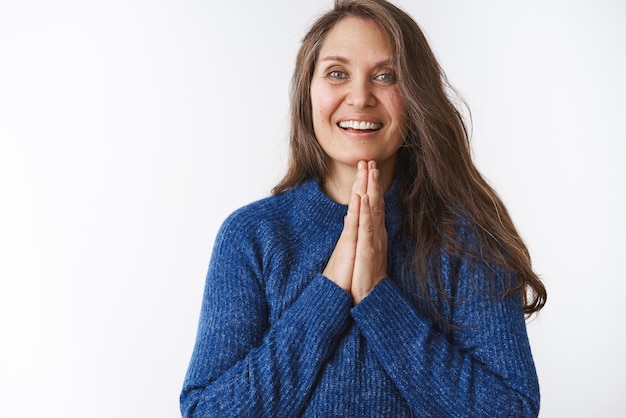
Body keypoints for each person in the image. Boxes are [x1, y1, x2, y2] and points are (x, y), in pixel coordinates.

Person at [180, 0, 547, 416]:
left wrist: (378, 297)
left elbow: (512, 411)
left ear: (415, 97)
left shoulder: (467, 238)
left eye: (386, 77)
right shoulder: (252, 236)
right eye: (337, 74)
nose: (360, 97)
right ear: (307, 94)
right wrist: (330, 290)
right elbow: (207, 411)